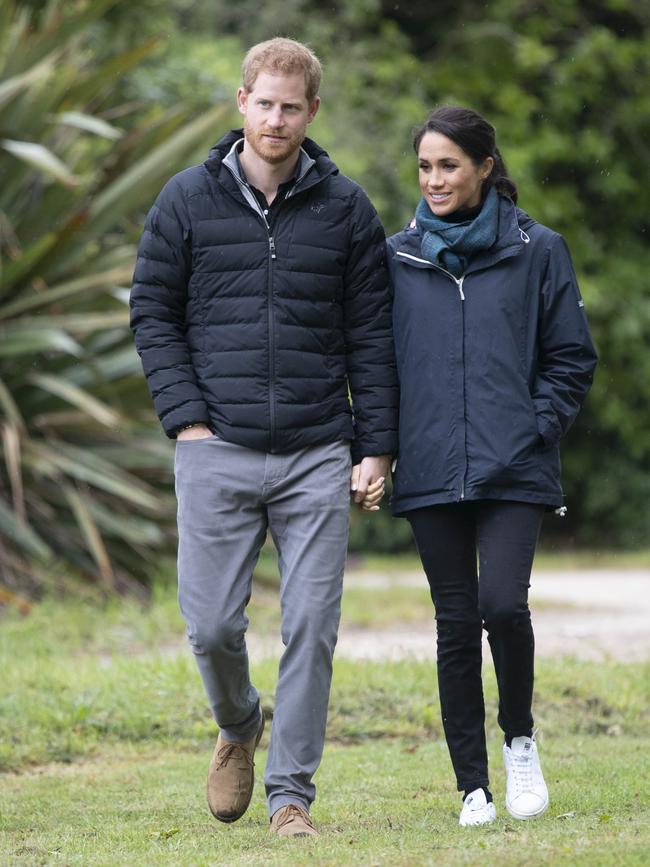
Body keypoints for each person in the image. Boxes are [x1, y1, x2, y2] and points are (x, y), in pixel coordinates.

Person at [130, 38, 398, 838]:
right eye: (264, 102)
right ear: (239, 102)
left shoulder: (347, 209)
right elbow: (152, 313)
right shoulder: (185, 200)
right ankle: (239, 722)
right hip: (217, 442)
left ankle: (291, 798)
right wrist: (189, 420)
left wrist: (373, 446)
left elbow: (373, 337)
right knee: (211, 626)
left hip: (318, 445)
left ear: (313, 112)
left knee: (312, 623)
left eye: (292, 106)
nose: (276, 119)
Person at [388, 106, 597, 827]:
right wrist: (382, 448)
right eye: (424, 167)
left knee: (502, 605)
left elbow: (572, 356)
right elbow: (378, 367)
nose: (435, 179)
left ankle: (520, 740)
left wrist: (534, 427)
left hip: (516, 463)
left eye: (449, 165)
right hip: (429, 466)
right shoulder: (399, 257)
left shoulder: (540, 249)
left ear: (484, 165)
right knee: (453, 622)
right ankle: (471, 784)